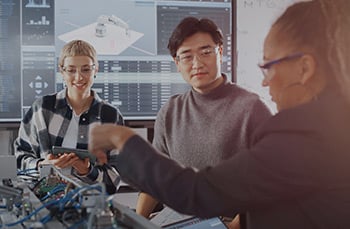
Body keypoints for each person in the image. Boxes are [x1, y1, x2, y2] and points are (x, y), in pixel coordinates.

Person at [88, 0, 350, 228]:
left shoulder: (301, 135)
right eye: (186, 56)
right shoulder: (333, 124)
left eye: (269, 66)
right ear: (177, 63)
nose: (265, 82)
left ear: (305, 68)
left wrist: (121, 138)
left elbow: (198, 192)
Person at [135, 16, 272, 225]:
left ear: (220, 51)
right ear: (177, 63)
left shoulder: (251, 108)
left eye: (205, 52)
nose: (197, 63)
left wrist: (233, 226)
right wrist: (137, 221)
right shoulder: (170, 111)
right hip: (176, 221)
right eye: (187, 56)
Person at [15, 39, 124, 194]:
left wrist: (86, 170)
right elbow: (19, 161)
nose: (79, 77)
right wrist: (43, 165)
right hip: (43, 203)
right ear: (62, 71)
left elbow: (115, 179)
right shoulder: (42, 108)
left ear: (96, 70)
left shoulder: (110, 116)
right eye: (71, 70)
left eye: (85, 69)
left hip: (91, 208)